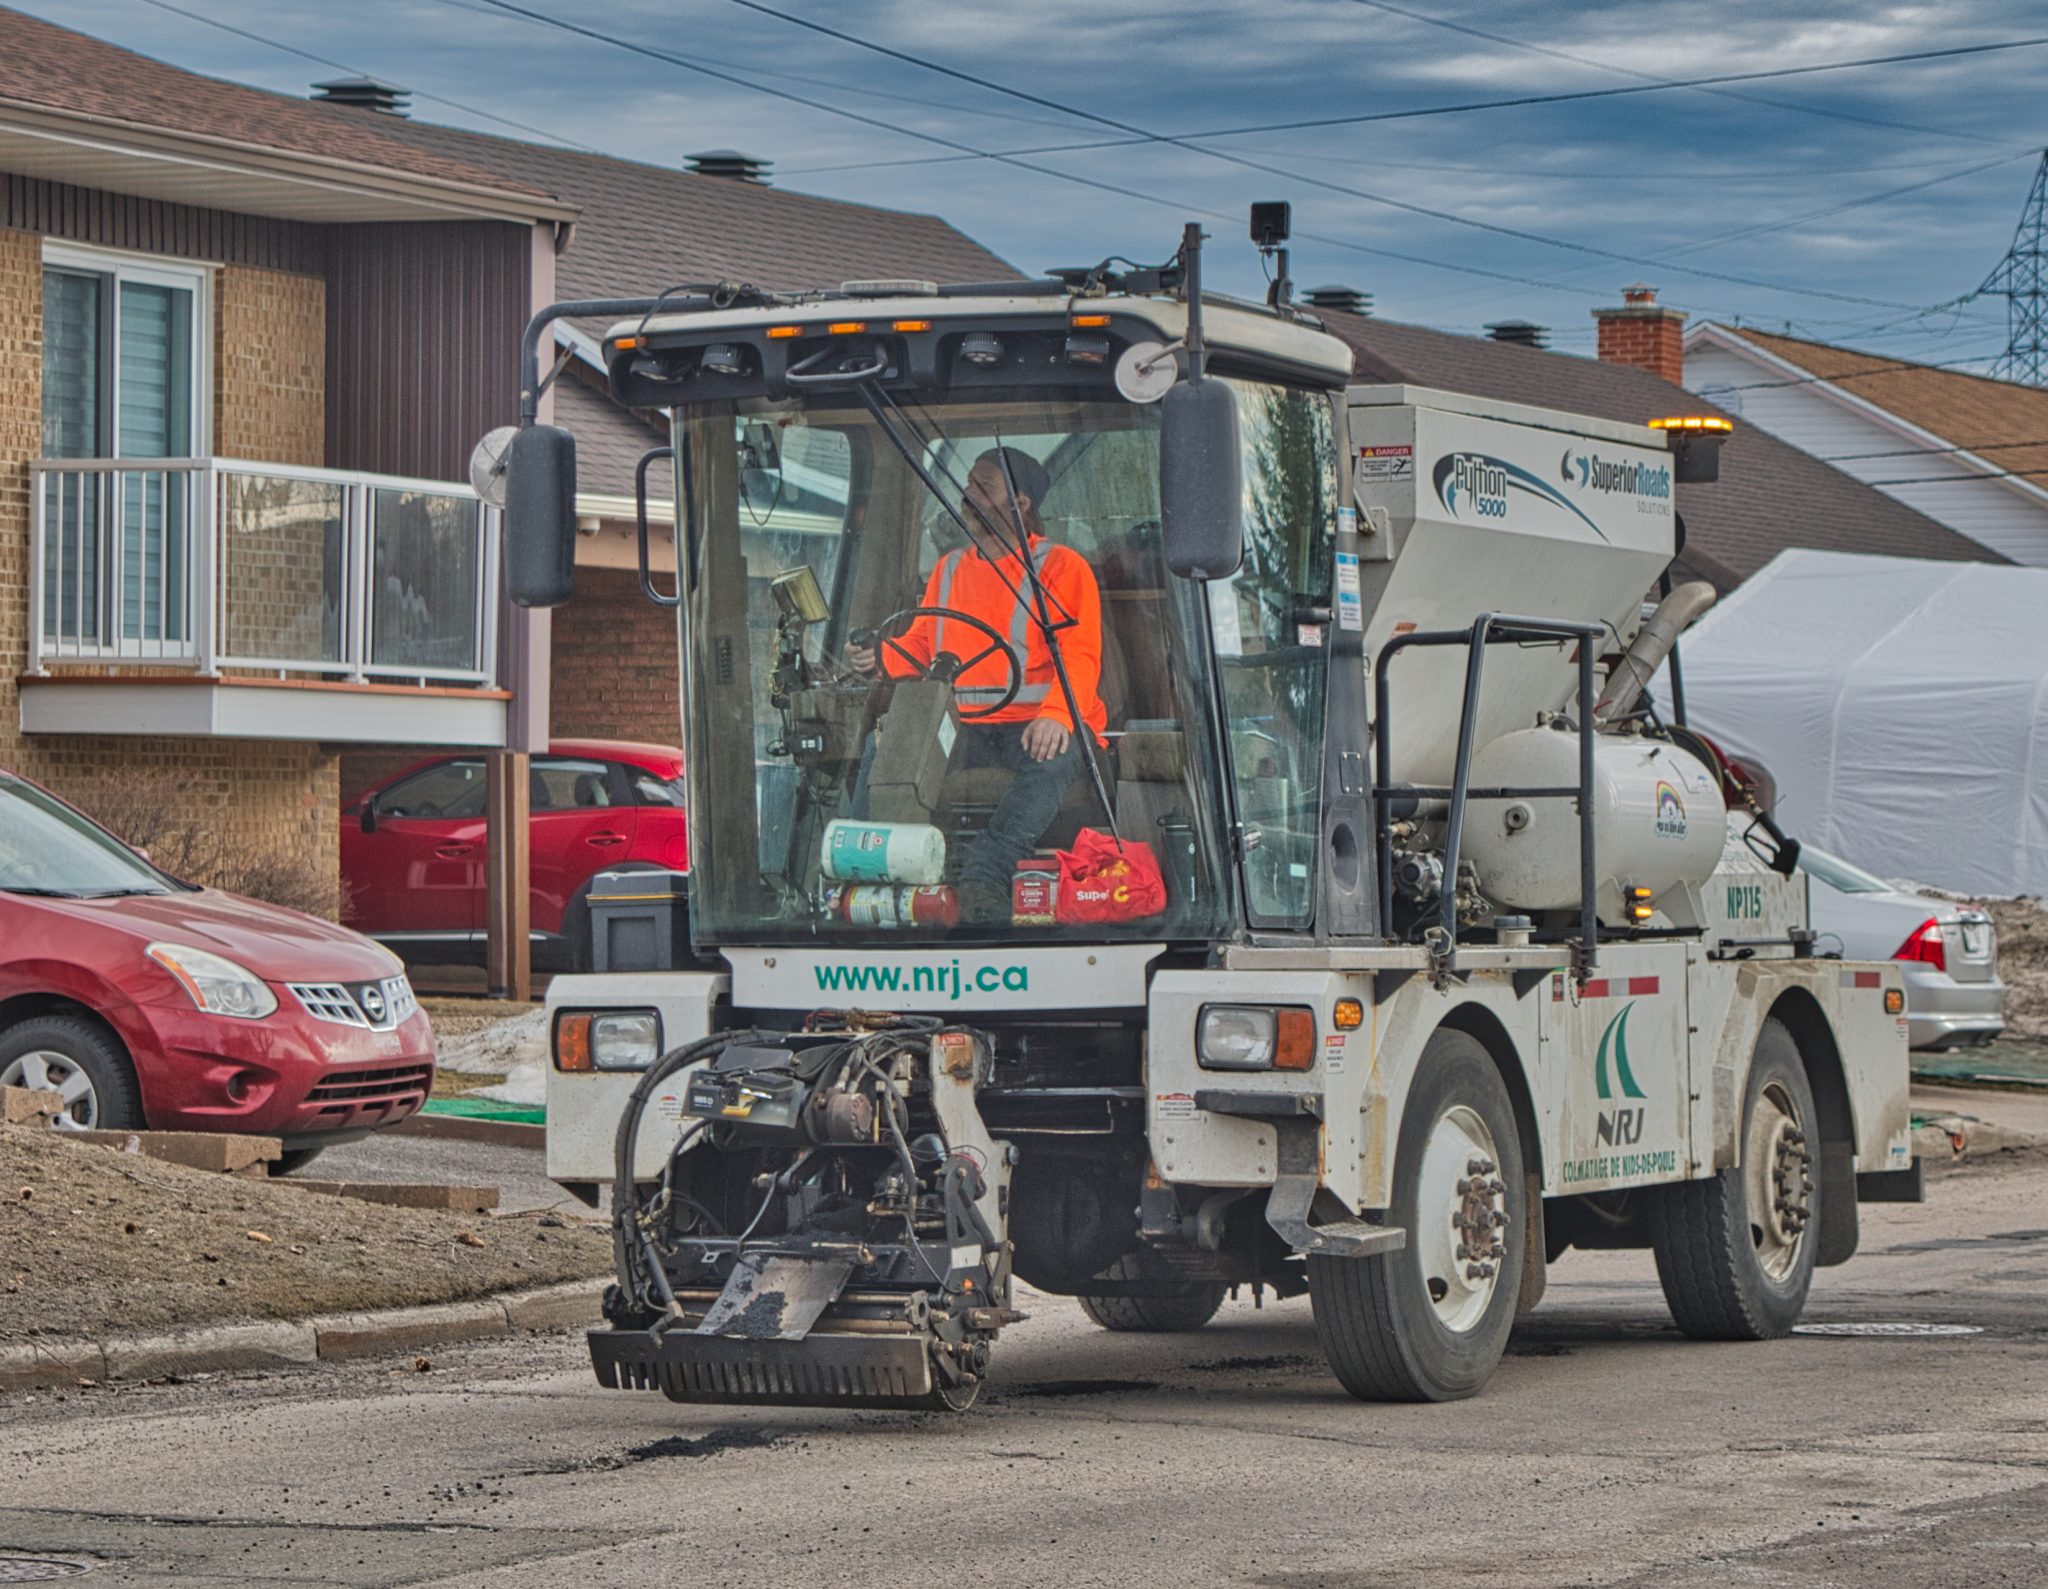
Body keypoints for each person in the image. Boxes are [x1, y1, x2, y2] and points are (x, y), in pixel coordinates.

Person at [846, 447, 1105, 922]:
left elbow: (1080, 655)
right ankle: (868, 870)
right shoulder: (949, 569)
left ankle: (986, 874)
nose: (968, 492)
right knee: (886, 744)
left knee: (1056, 755)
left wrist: (1056, 716)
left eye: (983, 485)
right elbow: (921, 645)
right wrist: (877, 657)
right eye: (968, 483)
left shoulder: (1062, 568)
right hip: (964, 726)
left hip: (1033, 724)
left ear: (1020, 503)